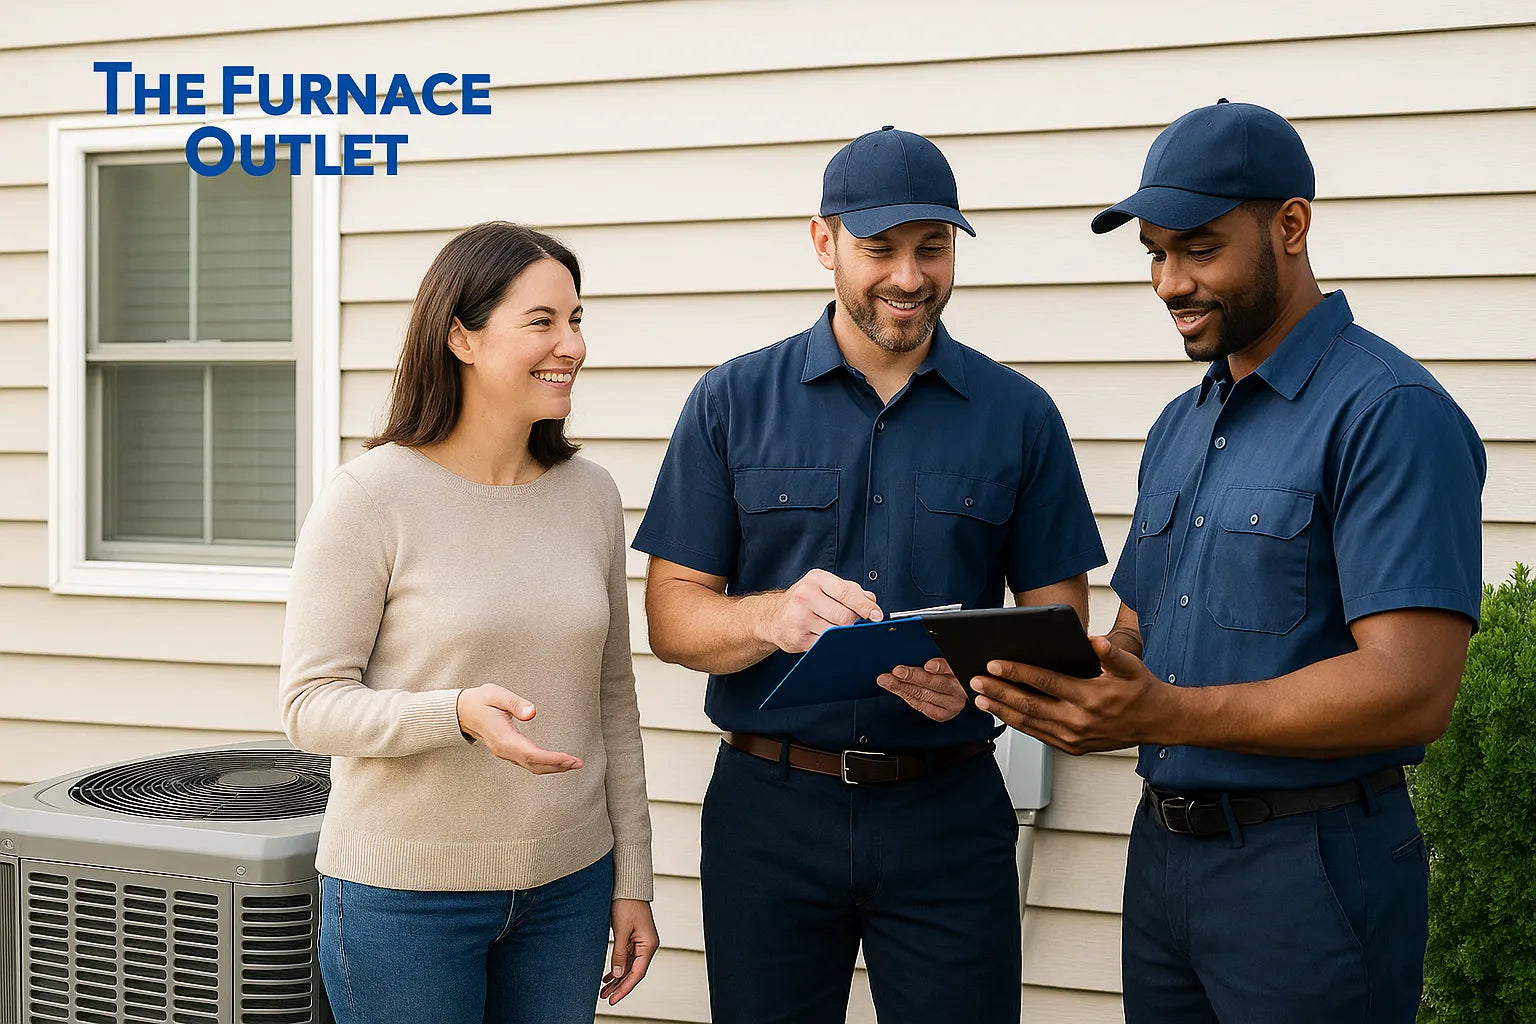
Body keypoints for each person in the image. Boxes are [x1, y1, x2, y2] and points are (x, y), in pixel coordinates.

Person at [968, 101, 1487, 1023]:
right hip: (1164, 866)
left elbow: (1414, 688)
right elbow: (1137, 642)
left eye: (1199, 249)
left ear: (1290, 226)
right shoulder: (1183, 423)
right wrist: (1026, 675)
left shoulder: (1390, 412)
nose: (1170, 282)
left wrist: (1164, 709)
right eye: (1156, 254)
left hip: (1311, 872)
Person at [632, 126, 1107, 1023]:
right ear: (824, 243)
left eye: (932, 248)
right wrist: (770, 617)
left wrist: (980, 684)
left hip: (951, 814)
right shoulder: (729, 402)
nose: (908, 275)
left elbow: (1057, 628)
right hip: (770, 812)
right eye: (879, 247)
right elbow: (671, 617)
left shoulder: (1021, 415)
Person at [279, 222, 658, 1024]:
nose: (573, 345)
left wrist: (633, 881)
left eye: (577, 319)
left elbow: (613, 704)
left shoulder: (590, 494)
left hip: (569, 888)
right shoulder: (369, 497)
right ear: (462, 336)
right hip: (404, 902)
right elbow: (310, 704)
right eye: (543, 321)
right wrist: (453, 713)